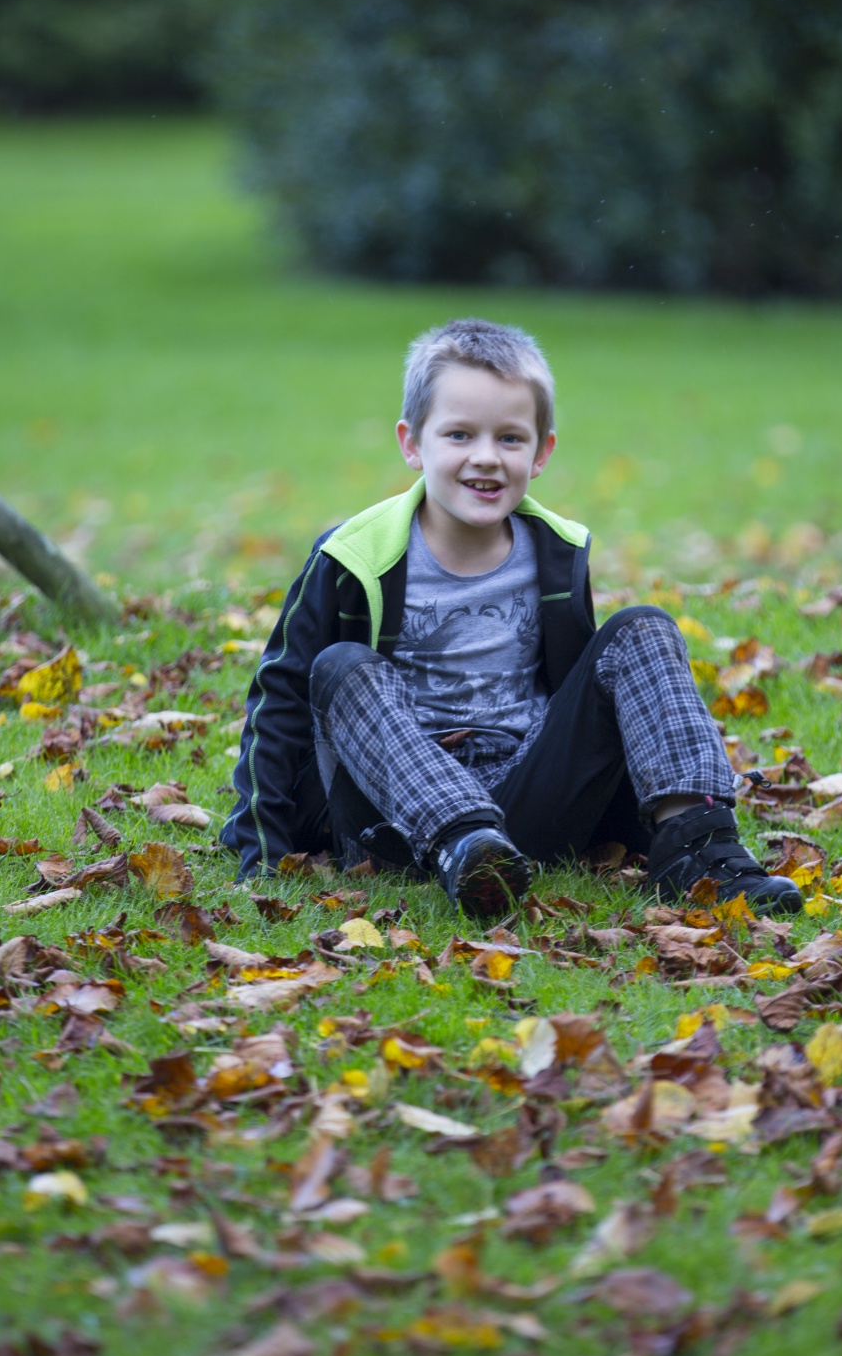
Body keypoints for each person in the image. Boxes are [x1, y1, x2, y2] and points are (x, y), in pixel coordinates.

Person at [220, 318, 801, 920]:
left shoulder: (557, 552)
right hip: (392, 814)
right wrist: (259, 848)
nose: (485, 458)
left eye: (509, 439)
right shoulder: (351, 556)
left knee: (644, 628)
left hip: (527, 796)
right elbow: (280, 700)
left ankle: (700, 851)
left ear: (542, 450)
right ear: (412, 442)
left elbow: (583, 699)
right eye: (459, 435)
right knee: (342, 665)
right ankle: (464, 849)